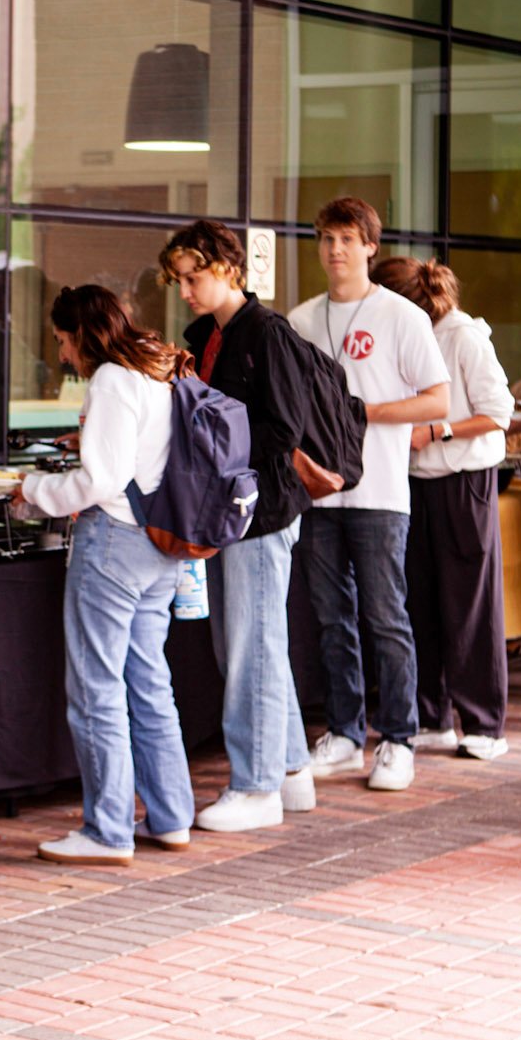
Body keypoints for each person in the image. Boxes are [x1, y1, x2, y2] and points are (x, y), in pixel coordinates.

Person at [17, 285, 195, 865]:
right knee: (149, 682)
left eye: (64, 341)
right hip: (158, 547)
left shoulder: (112, 380)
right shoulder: (155, 369)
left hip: (113, 545)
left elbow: (101, 480)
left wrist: (30, 491)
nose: (63, 355)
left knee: (96, 688)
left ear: (83, 335)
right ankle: (170, 817)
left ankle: (108, 830)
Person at [160, 220, 322, 832]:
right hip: (229, 506)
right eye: (179, 279)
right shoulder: (204, 334)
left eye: (193, 277)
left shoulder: (267, 333)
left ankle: (257, 786)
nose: (185, 290)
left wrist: (210, 433)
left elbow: (283, 429)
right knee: (251, 642)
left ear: (228, 268)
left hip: (260, 508)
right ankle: (289, 769)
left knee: (250, 643)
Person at [284, 199, 449, 794]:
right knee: (331, 619)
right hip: (320, 496)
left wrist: (362, 414)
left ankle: (398, 739)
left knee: (385, 618)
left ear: (371, 247)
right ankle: (347, 733)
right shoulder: (301, 320)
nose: (335, 250)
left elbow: (438, 401)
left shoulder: (400, 316)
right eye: (326, 238)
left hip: (380, 491)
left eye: (348, 239)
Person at [375, 257, 514, 761]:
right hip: (412, 482)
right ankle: (430, 716)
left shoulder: (462, 335)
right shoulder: (405, 335)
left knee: (470, 604)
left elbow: (499, 412)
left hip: (464, 481)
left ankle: (484, 724)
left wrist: (436, 430)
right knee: (420, 601)